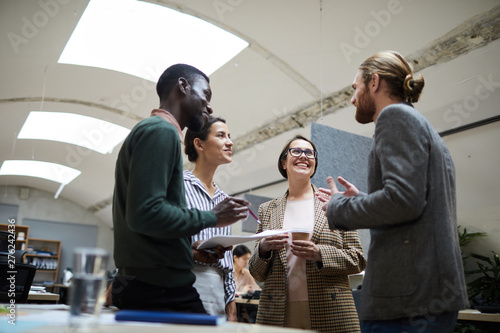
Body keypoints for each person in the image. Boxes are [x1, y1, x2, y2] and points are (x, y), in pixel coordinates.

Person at [317, 51, 468, 332]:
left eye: (355, 88)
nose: (352, 98)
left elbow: (402, 201)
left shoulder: (394, 116)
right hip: (424, 297)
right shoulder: (418, 123)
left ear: (374, 82)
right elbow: (410, 200)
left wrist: (340, 207)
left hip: (408, 300)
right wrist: (363, 200)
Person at [111, 64, 249, 313]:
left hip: (145, 282)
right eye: (206, 95)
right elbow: (146, 213)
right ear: (183, 86)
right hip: (160, 287)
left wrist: (188, 250)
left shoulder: (150, 130)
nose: (209, 106)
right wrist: (213, 217)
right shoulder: (161, 132)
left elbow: (147, 225)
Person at [248, 135, 366, 333]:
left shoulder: (333, 202)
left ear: (314, 163)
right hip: (278, 310)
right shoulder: (268, 209)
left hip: (330, 308)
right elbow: (257, 272)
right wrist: (264, 248)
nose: (303, 156)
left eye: (309, 153)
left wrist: (320, 253)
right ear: (284, 163)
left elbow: (358, 259)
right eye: (296, 151)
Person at [183, 116, 237, 320]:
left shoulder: (224, 200)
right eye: (221, 135)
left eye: (229, 136)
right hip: (184, 284)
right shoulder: (178, 186)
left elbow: (228, 265)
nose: (230, 142)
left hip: (218, 295)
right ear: (199, 144)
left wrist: (231, 309)